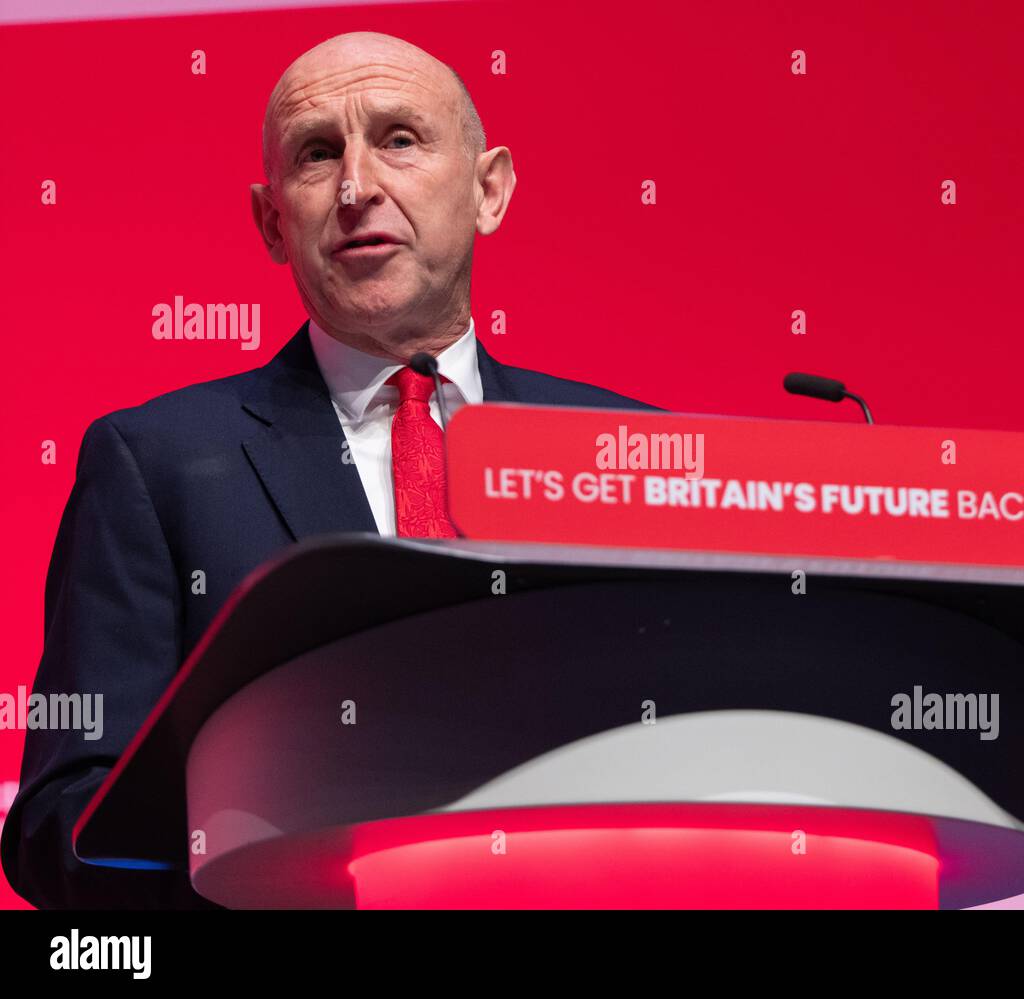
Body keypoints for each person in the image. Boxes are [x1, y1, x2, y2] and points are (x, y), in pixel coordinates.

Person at [1, 31, 655, 909]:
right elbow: (61, 825)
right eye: (317, 154)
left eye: (398, 139)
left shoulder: (632, 450)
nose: (357, 188)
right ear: (274, 221)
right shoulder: (156, 464)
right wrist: (276, 839)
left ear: (488, 189)